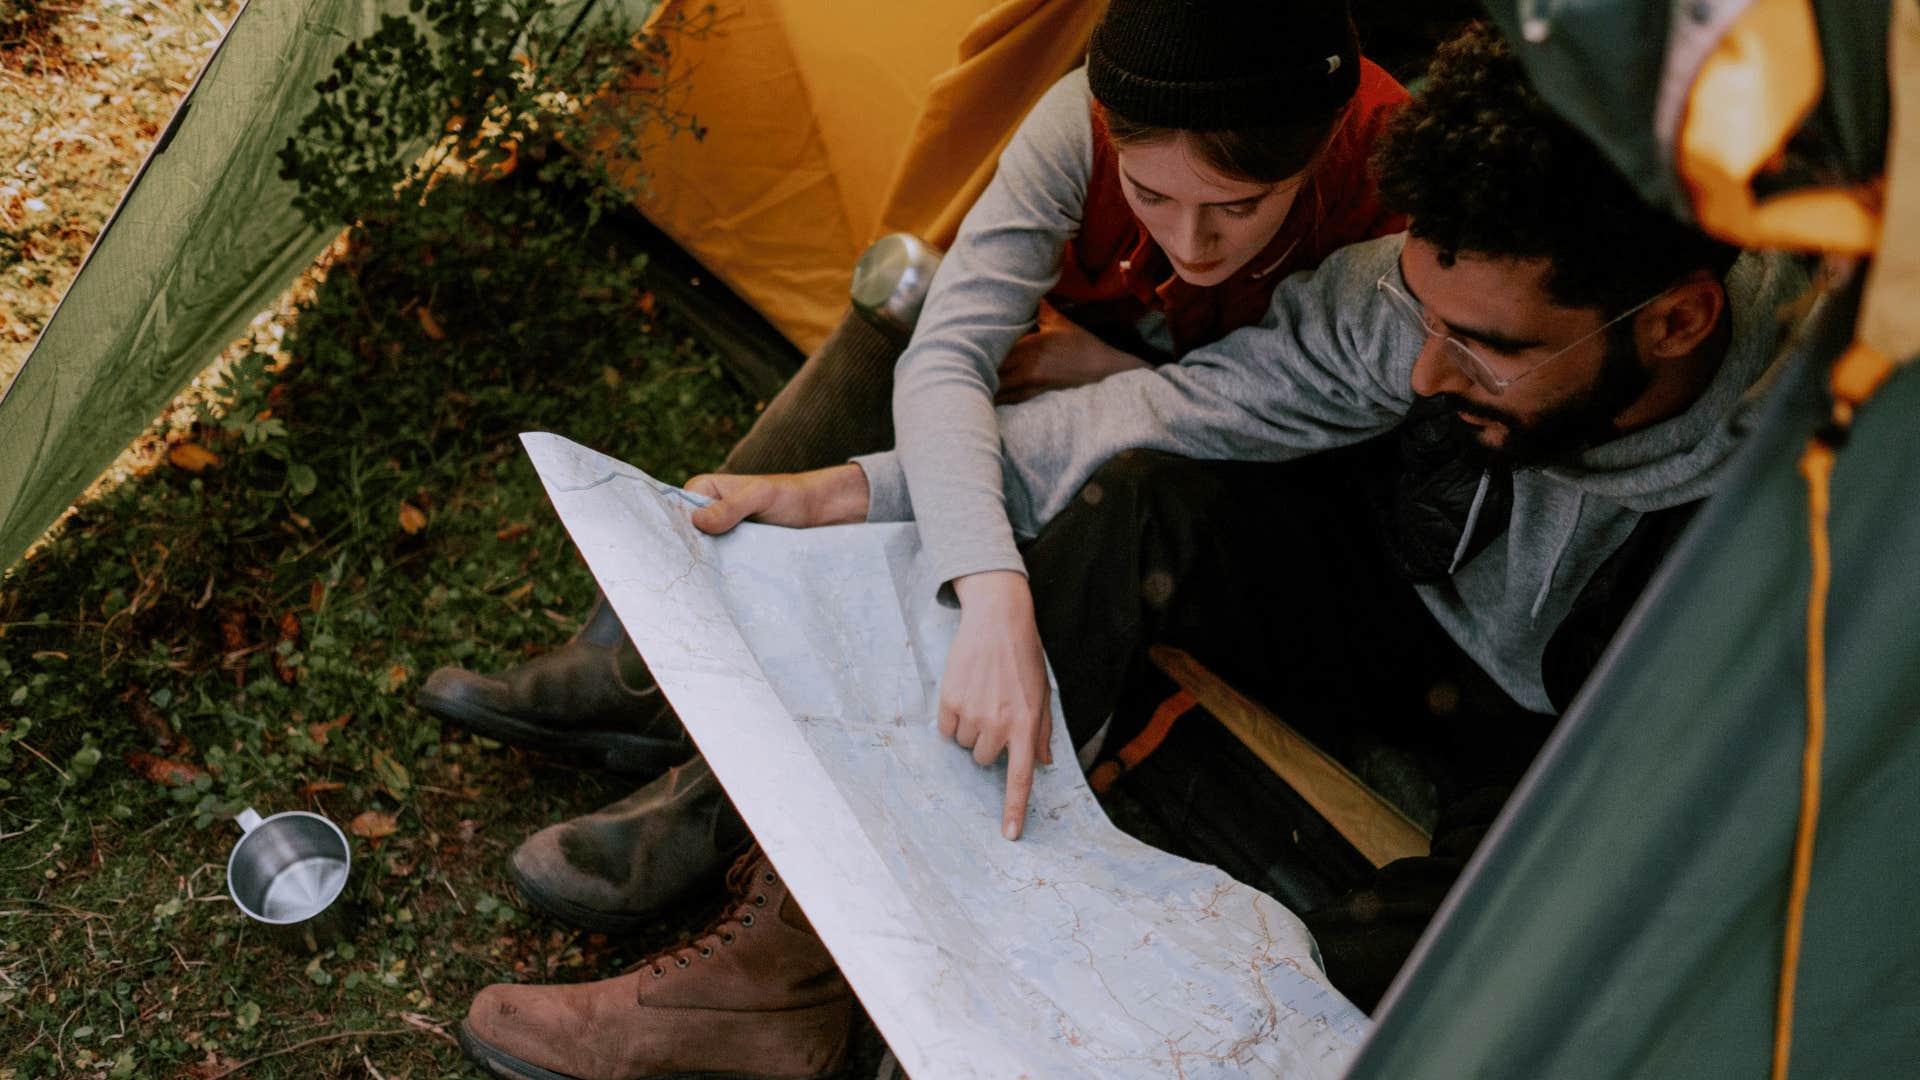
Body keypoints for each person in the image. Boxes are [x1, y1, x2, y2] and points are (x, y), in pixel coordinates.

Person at [456, 21, 1809, 1080]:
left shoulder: (1803, 505)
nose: (1419, 364)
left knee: (1465, 950)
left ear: (1677, 324)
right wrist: (860, 492)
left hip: (1587, 734)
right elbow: (1159, 409)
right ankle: (792, 975)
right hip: (1398, 615)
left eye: (1489, 346)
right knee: (1143, 490)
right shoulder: (1403, 309)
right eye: (1422, 312)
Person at [425, 0, 1407, 934]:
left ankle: (722, 802)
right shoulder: (1083, 119)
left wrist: (1082, 410)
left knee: (1054, 481)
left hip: (1235, 477)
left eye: (1238, 210)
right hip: (1098, 390)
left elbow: (1274, 420)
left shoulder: (1392, 185)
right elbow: (950, 352)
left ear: (1315, 150)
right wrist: (986, 574)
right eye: (1151, 196)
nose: (1189, 244)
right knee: (906, 307)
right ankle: (647, 665)